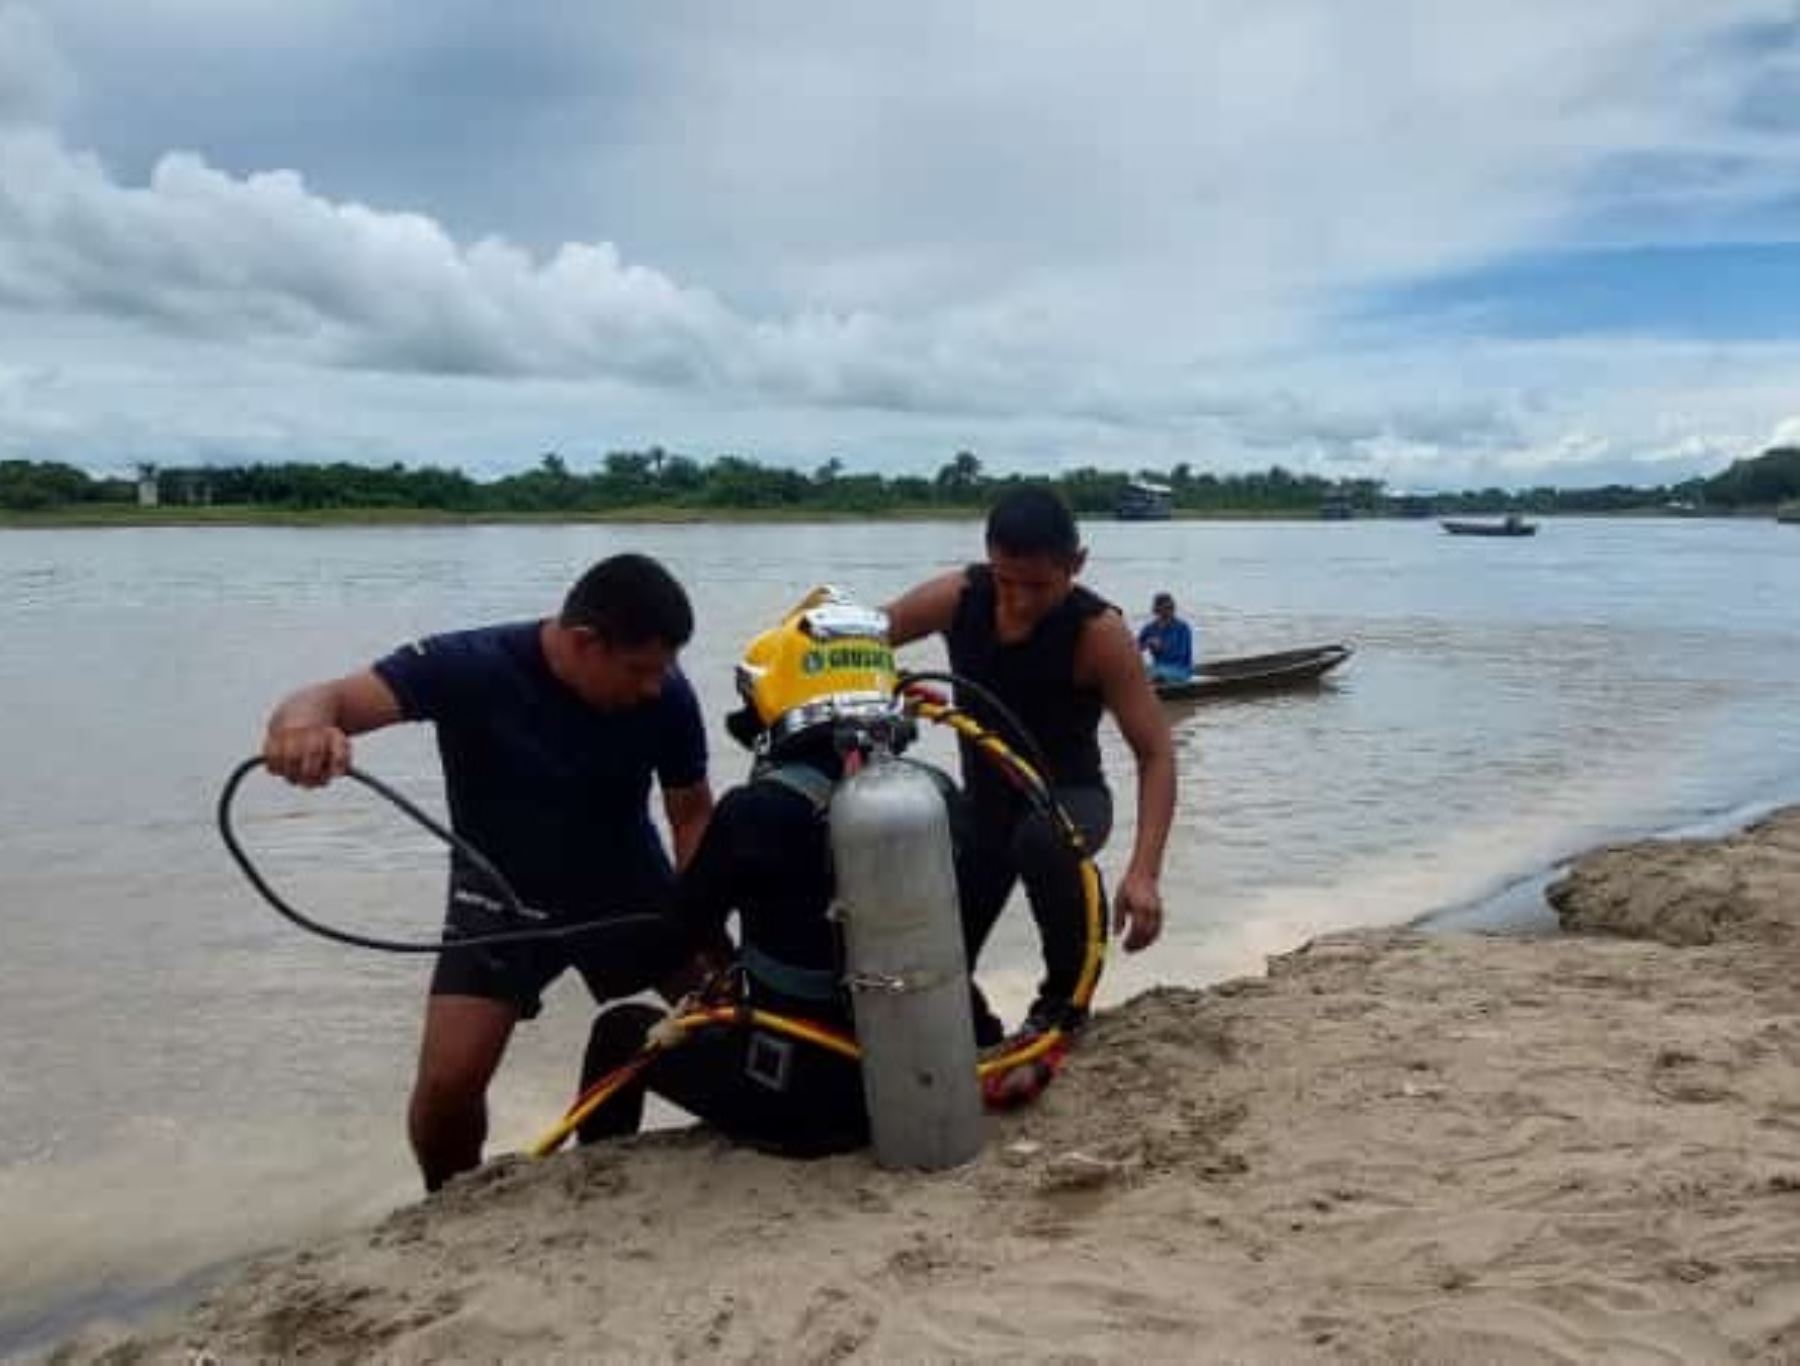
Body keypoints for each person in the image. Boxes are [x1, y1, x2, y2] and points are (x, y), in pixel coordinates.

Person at [260, 553, 714, 1191]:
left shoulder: (667, 695)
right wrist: (302, 728)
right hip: (499, 897)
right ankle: (448, 1204)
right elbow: (330, 698)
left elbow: (691, 813)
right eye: (639, 669)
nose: (653, 687)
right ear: (585, 643)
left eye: (664, 669)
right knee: (447, 1088)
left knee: (734, 1026)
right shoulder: (468, 665)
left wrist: (700, 914)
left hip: (628, 886)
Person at [575, 586, 959, 1155]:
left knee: (618, 1031)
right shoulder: (936, 796)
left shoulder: (754, 812)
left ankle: (593, 1177)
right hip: (929, 1076)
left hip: (802, 1105)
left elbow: (669, 942)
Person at [884, 486, 1176, 1042]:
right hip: (986, 808)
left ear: (1077, 564)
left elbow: (1156, 753)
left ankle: (1062, 1002)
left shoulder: (1100, 635)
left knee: (1040, 841)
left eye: (1038, 586)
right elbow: (873, 635)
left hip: (1069, 800)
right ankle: (982, 1036)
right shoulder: (959, 596)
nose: (1017, 600)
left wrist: (1144, 873)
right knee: (932, 957)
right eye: (1005, 580)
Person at [1138, 592, 1195, 683]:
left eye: (1171, 608)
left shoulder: (1182, 627)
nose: (1169, 611)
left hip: (1180, 669)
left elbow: (1181, 654)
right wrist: (1147, 643)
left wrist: (1161, 647)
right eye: (1166, 608)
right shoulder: (1150, 628)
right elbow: (1135, 648)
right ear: (1157, 610)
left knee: (1157, 675)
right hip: (1158, 668)